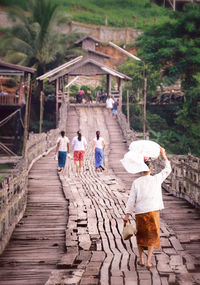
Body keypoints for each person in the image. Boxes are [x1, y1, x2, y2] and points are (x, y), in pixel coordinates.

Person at [123, 147, 172, 269]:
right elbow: (168, 169)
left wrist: (127, 214)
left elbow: (131, 199)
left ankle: (141, 259)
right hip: (153, 211)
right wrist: (163, 155)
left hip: (140, 213)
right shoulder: (156, 179)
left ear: (140, 170)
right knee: (152, 236)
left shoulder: (136, 182)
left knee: (141, 235)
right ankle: (149, 261)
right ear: (151, 169)